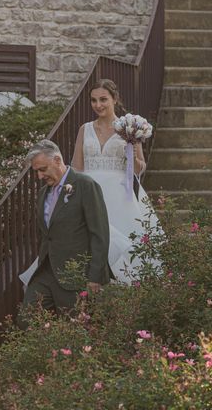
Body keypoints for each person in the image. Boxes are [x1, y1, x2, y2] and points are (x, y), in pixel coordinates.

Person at [71, 78, 162, 283]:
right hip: (90, 194)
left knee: (126, 243)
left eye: (103, 99)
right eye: (93, 101)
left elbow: (140, 167)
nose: (98, 105)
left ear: (114, 99)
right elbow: (76, 167)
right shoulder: (84, 129)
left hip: (120, 196)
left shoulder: (128, 128)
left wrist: (131, 152)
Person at [18, 139, 111, 327]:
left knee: (75, 327)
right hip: (46, 271)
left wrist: (94, 277)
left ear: (58, 160)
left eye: (43, 169)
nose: (39, 176)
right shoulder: (43, 192)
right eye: (36, 171)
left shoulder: (85, 185)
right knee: (26, 319)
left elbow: (99, 233)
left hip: (74, 274)